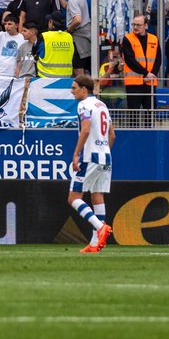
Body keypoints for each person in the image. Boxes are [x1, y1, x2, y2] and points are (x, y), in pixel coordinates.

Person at [66, 75, 114, 254]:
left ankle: (100, 228)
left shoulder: (84, 105)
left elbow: (85, 129)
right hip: (105, 156)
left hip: (89, 156)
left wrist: (76, 153)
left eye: (74, 87)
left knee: (73, 198)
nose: (72, 91)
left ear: (84, 89)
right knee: (97, 196)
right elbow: (112, 135)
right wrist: (104, 151)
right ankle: (95, 244)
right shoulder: (102, 105)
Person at [121, 14, 160, 110]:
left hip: (150, 83)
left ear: (146, 25)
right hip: (133, 83)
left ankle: (150, 126)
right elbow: (130, 60)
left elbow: (158, 59)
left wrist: (152, 75)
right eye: (133, 24)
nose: (135, 27)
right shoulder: (128, 39)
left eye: (138, 25)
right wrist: (146, 73)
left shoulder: (154, 39)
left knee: (150, 113)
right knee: (133, 115)